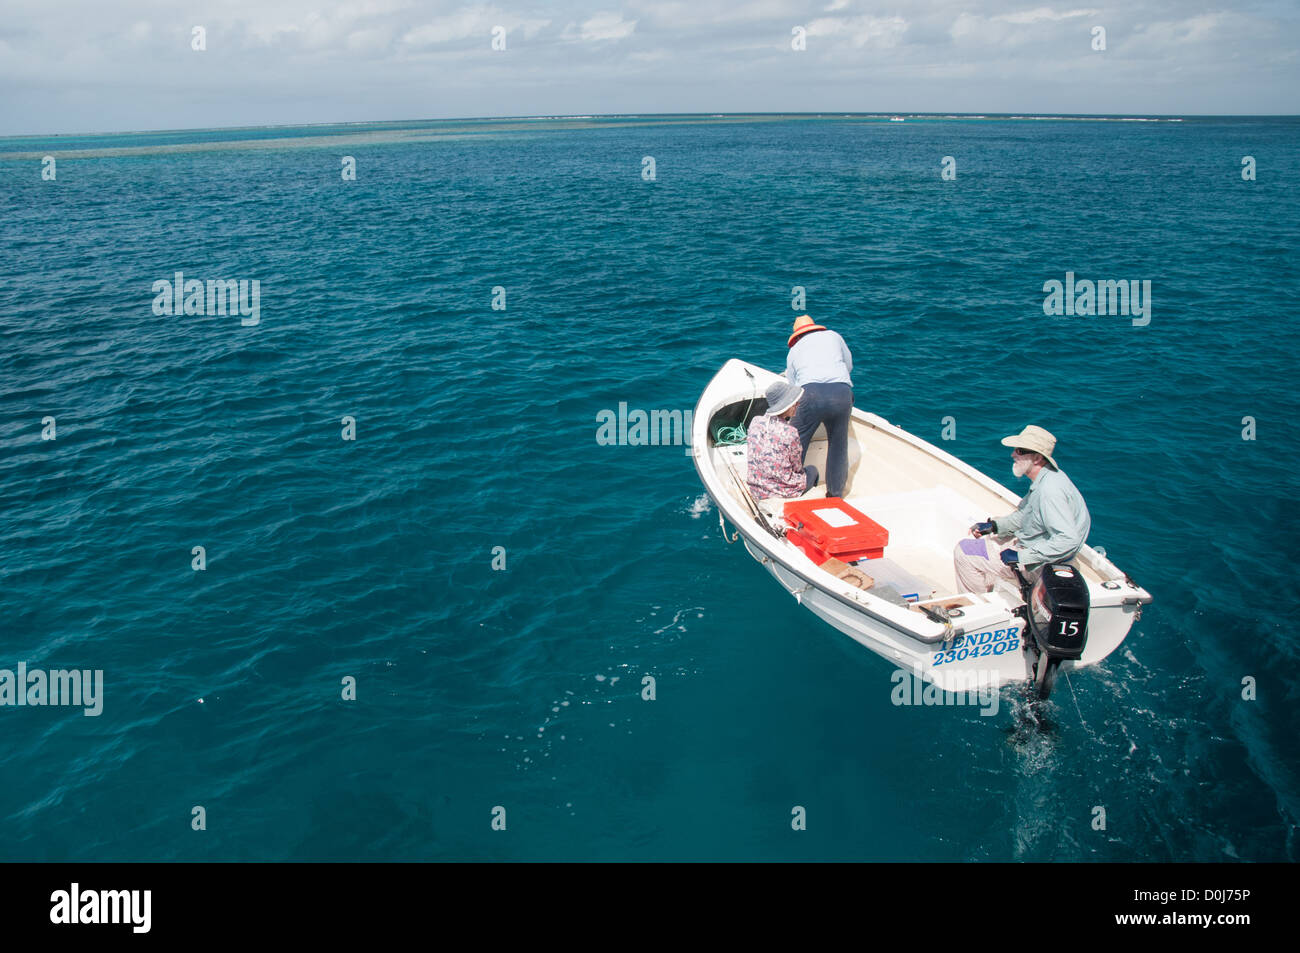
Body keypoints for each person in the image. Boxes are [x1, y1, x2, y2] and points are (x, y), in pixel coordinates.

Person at [953, 425, 1091, 594]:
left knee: (964, 552)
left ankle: (979, 607)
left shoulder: (1049, 492)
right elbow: (1026, 515)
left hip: (1042, 564)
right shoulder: (1048, 478)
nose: (1013, 454)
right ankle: (993, 585)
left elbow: (1069, 540)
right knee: (991, 538)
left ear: (1038, 458)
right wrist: (995, 526)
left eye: (1019, 451)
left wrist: (1021, 557)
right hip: (1040, 547)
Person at [785, 315, 854, 498]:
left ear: (797, 336)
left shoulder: (794, 350)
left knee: (795, 443)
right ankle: (835, 494)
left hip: (811, 395)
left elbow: (793, 386)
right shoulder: (834, 336)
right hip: (841, 393)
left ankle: (791, 490)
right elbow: (848, 365)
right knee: (838, 445)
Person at [746, 380, 820, 499]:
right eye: (794, 403)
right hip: (783, 492)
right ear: (785, 405)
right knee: (812, 471)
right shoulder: (790, 433)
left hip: (756, 488)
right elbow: (797, 466)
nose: (798, 404)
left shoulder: (755, 421)